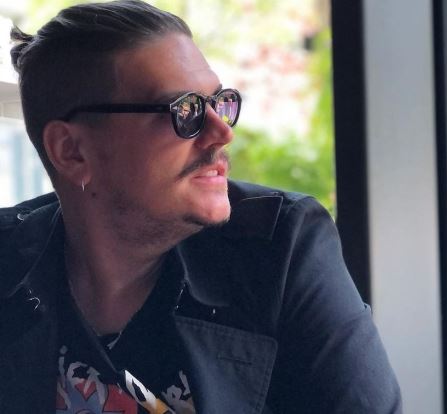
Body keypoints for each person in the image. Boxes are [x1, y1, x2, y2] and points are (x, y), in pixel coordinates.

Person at [0, 1, 402, 413]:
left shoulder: (279, 250)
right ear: (71, 151)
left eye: (219, 102)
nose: (222, 132)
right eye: (184, 111)